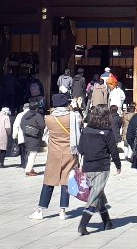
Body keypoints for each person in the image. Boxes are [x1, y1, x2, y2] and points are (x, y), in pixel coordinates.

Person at [29, 93, 80, 220]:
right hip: (70, 151)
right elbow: (80, 124)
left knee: (49, 180)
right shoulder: (73, 117)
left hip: (54, 152)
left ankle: (40, 209)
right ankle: (62, 210)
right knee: (66, 180)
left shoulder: (49, 119)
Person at [77, 104, 121, 235]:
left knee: (99, 192)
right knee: (95, 194)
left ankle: (107, 222)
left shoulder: (85, 131)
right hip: (102, 166)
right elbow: (113, 150)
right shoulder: (107, 132)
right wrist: (118, 165)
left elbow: (81, 149)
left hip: (88, 166)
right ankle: (83, 225)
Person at [21, 101, 46, 176]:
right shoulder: (37, 115)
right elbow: (42, 126)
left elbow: (22, 125)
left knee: (29, 152)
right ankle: (28, 170)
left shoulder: (25, 115)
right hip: (35, 137)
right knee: (33, 153)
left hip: (26, 136)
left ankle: (30, 168)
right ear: (36, 108)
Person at [11, 102, 30, 169]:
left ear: (23, 108)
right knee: (29, 151)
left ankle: (23, 163)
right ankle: (28, 163)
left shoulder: (20, 115)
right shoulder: (34, 114)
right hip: (31, 136)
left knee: (22, 150)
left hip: (21, 135)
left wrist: (14, 136)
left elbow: (16, 126)